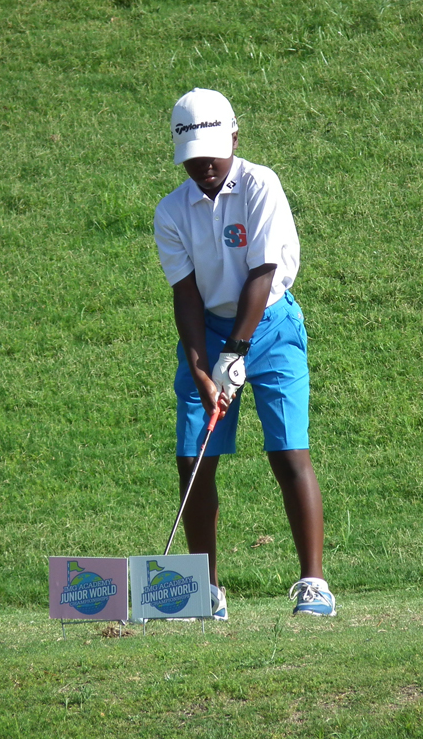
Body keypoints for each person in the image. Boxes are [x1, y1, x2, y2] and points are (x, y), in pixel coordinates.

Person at [153, 88, 335, 619]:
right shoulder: (172, 211)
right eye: (192, 157)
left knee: (287, 453)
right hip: (209, 333)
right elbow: (184, 293)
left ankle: (314, 583)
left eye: (213, 150)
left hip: (272, 326)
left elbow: (264, 272)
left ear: (235, 137)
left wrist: (238, 351)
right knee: (193, 459)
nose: (203, 164)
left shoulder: (261, 185)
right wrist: (201, 368)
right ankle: (203, 592)